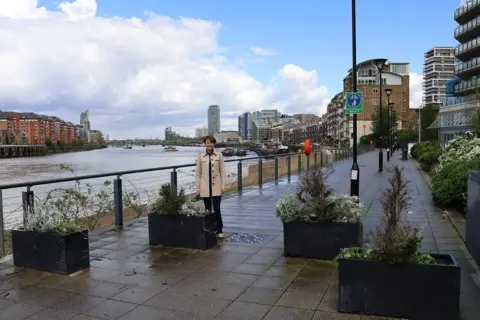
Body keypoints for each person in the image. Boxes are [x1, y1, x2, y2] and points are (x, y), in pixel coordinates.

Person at [195, 135, 226, 238]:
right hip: (204, 187)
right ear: (205, 144)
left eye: (211, 142)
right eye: (207, 142)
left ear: (214, 144)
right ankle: (209, 230)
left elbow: (223, 172)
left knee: (217, 209)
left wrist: (223, 185)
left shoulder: (219, 155)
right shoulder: (200, 156)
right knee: (207, 210)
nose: (209, 144)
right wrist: (198, 188)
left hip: (217, 186)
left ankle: (219, 229)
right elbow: (198, 174)